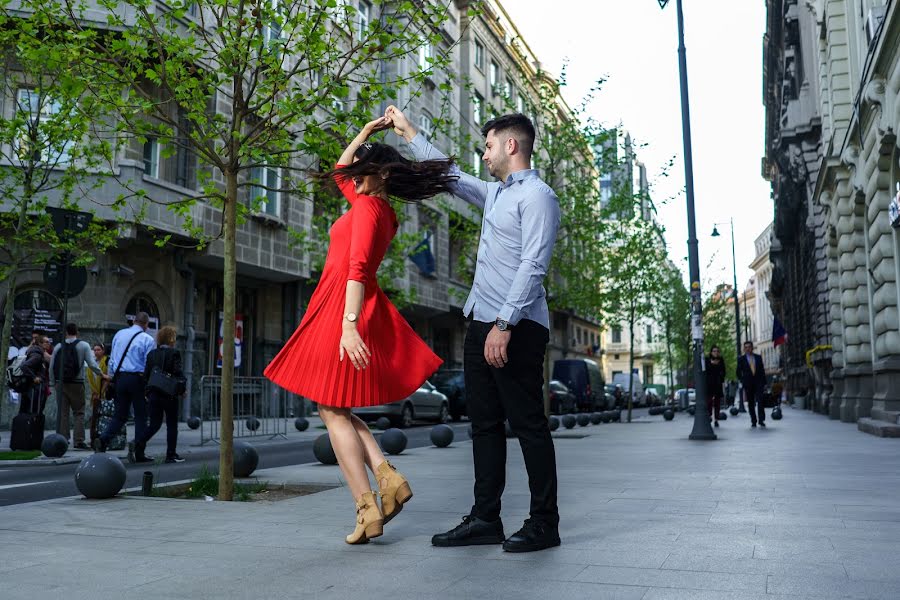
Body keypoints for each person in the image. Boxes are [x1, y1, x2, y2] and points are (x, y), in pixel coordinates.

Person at [264, 116, 451, 544]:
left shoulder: (367, 209)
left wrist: (349, 327)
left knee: (330, 409)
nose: (354, 179)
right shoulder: (375, 205)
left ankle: (368, 506)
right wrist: (366, 133)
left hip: (342, 306)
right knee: (337, 408)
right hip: (341, 304)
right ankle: (387, 478)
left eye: (363, 174)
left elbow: (358, 269)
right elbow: (338, 169)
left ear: (381, 175)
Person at [388, 106, 562, 553]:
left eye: (488, 146)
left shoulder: (538, 196)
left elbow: (533, 265)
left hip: (516, 325)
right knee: (483, 425)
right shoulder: (497, 193)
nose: (483, 155)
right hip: (481, 319)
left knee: (527, 424)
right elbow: (448, 176)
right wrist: (410, 133)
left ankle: (545, 522)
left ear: (510, 145)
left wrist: (504, 323)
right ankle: (486, 517)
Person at [94, 312, 156, 452]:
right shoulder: (148, 339)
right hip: (138, 378)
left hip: (120, 378)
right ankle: (138, 450)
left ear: (134, 321)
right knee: (141, 415)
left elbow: (113, 359)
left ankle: (103, 440)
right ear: (146, 324)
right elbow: (149, 363)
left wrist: (111, 377)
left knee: (120, 415)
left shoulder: (119, 334)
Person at [130, 325, 184, 464]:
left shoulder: (151, 354)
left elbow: (146, 375)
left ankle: (138, 446)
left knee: (154, 424)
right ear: (171, 339)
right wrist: (182, 390)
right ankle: (170, 454)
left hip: (154, 393)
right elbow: (178, 373)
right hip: (169, 394)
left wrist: (147, 392)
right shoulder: (174, 353)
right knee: (172, 424)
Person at [50, 323, 104, 450]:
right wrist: (102, 374)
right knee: (79, 412)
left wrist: (53, 383)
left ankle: (63, 439)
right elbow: (91, 364)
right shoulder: (83, 345)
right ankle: (78, 441)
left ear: (66, 332)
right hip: (77, 382)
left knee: (63, 412)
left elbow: (52, 366)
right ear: (77, 332)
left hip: (60, 382)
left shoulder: (58, 346)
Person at [737, 341, 767, 427]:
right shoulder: (741, 359)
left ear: (752, 348)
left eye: (749, 347)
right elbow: (738, 372)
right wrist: (743, 380)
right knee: (751, 403)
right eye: (746, 347)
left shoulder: (758, 357)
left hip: (758, 382)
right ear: (744, 349)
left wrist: (764, 383)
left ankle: (761, 420)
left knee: (760, 401)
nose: (747, 349)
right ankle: (753, 420)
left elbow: (762, 371)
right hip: (748, 383)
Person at [17, 334, 48, 415]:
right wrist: (34, 377)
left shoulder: (39, 353)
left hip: (32, 389)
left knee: (27, 411)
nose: (49, 344)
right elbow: (24, 366)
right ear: (40, 344)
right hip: (33, 389)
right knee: (32, 411)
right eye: (46, 342)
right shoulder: (37, 355)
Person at [86, 343, 109, 446]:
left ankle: (104, 437)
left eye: (98, 350)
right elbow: (90, 378)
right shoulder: (92, 363)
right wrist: (95, 392)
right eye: (94, 350)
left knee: (104, 417)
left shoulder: (106, 361)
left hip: (105, 393)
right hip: (95, 393)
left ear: (103, 351)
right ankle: (93, 438)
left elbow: (107, 378)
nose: (96, 352)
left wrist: (101, 392)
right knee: (94, 417)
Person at [705, 345, 726, 428]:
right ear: (711, 352)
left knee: (717, 403)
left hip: (718, 383)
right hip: (709, 384)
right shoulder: (707, 360)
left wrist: (721, 377)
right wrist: (712, 364)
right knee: (709, 401)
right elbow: (706, 370)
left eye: (717, 351)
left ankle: (716, 419)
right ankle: (709, 416)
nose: (716, 353)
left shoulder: (721, 360)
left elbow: (723, 371)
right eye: (714, 351)